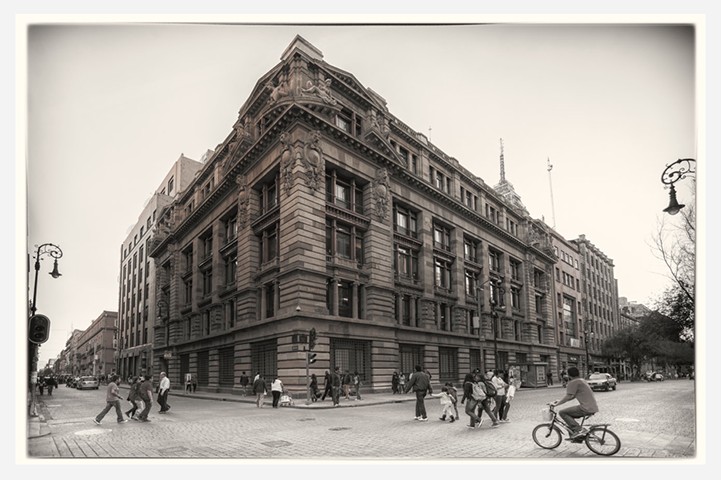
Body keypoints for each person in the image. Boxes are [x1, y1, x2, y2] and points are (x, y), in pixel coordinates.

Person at [552, 366, 599, 438]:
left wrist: (557, 404)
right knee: (569, 418)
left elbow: (568, 396)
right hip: (592, 406)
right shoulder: (582, 380)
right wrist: (559, 401)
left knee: (562, 412)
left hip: (585, 408)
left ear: (569, 375)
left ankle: (579, 430)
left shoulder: (573, 382)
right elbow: (572, 396)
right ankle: (576, 436)